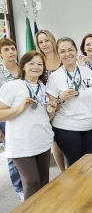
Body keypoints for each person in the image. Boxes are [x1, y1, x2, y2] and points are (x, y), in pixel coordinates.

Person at [0, 51, 57, 200]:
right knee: (31, 181)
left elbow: (47, 117)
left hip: (42, 140)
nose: (36, 67)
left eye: (39, 64)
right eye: (31, 63)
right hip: (21, 143)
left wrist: (51, 109)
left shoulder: (44, 88)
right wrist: (20, 108)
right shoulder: (12, 86)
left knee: (44, 182)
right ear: (23, 67)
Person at [46, 37, 92, 166]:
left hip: (88, 125)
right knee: (75, 165)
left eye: (70, 50)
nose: (67, 54)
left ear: (76, 51)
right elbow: (50, 108)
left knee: (89, 164)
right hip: (67, 126)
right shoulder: (54, 77)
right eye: (62, 51)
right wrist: (60, 99)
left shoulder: (87, 71)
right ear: (58, 54)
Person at [35, 30, 65, 172]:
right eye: (41, 42)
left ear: (52, 40)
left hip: (67, 104)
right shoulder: (38, 62)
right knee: (55, 141)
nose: (44, 44)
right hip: (48, 107)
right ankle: (62, 171)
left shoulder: (63, 57)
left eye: (46, 40)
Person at [0, 38, 23, 201]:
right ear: (0, 53)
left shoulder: (24, 69)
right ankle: (19, 188)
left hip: (25, 117)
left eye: (13, 49)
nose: (11, 52)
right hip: (5, 120)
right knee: (13, 154)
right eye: (6, 49)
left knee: (27, 152)